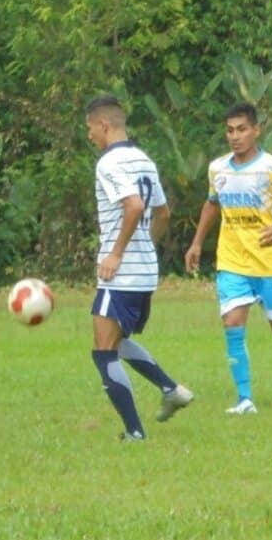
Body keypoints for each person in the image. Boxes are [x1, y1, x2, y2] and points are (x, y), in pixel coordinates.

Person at [185, 102, 272, 414]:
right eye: (230, 131)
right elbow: (212, 204)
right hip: (232, 260)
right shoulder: (218, 169)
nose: (235, 136)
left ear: (256, 130)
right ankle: (244, 399)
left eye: (242, 129)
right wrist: (196, 243)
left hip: (271, 262)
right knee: (232, 323)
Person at [84, 95, 194, 441]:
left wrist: (117, 253)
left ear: (103, 125)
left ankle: (134, 433)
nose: (89, 136)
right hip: (143, 271)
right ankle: (170, 389)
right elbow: (163, 213)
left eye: (90, 128)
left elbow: (133, 206)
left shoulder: (109, 162)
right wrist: (145, 247)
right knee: (116, 343)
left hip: (121, 274)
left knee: (103, 352)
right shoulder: (143, 159)